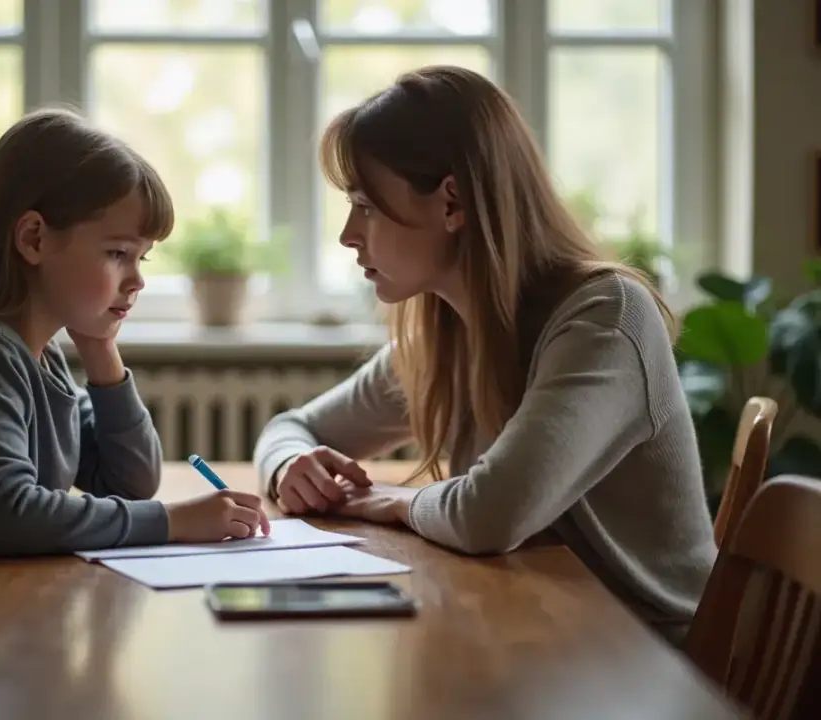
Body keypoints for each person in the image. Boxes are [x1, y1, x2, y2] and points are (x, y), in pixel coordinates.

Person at [252, 66, 716, 643]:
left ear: (452, 202)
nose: (348, 234)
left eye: (366, 205)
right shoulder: (446, 331)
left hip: (648, 655)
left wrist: (390, 502)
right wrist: (291, 466)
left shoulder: (605, 319)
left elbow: (491, 515)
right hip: (543, 631)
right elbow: (292, 427)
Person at [0, 108, 269, 650]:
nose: (137, 280)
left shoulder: (39, 355)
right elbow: (3, 517)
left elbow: (129, 480)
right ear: (34, 239)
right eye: (117, 253)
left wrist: (101, 350)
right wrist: (172, 522)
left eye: (142, 258)